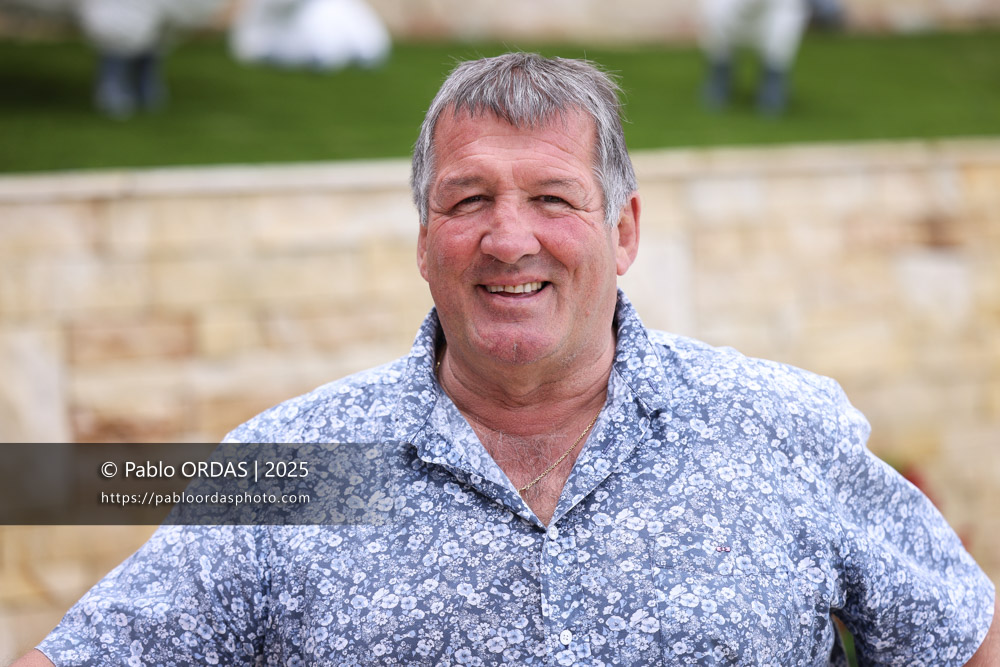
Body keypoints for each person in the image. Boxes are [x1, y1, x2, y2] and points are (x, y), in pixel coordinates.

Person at [15, 52, 999, 665]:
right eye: (468, 198)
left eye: (553, 198)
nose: (507, 238)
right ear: (423, 235)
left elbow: (960, 639)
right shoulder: (292, 465)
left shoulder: (784, 429)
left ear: (622, 231)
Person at [698, 0, 810, 115]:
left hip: (777, 9)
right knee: (718, 30)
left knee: (781, 36)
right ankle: (720, 72)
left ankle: (773, 77)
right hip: (728, 8)